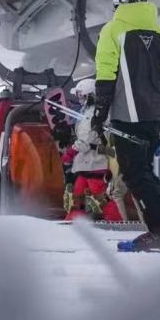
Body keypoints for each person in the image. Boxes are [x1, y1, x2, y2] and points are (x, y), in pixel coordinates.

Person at [93, 0, 160, 251]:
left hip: (126, 117)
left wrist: (100, 113)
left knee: (135, 175)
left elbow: (106, 73)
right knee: (146, 172)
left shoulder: (112, 30)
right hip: (153, 117)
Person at [64, 79, 113, 220]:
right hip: (86, 164)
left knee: (101, 198)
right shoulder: (88, 113)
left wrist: (70, 153)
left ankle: (114, 222)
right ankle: (73, 221)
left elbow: (85, 142)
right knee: (77, 195)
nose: (78, 98)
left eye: (80, 95)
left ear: (89, 96)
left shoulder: (92, 115)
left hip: (95, 163)